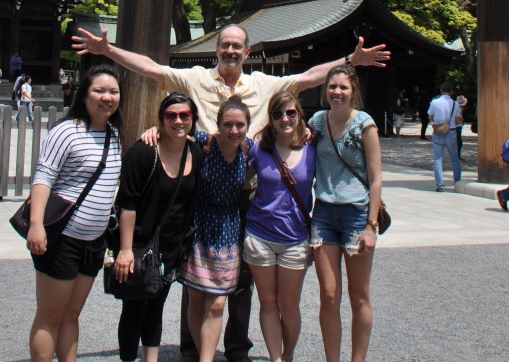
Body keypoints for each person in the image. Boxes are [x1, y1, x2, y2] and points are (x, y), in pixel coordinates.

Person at [73, 22, 390, 362]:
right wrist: (108, 51)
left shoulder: (263, 84)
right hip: (203, 190)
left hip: (248, 192)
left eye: (237, 46)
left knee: (242, 275)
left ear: (247, 52)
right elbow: (151, 68)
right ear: (217, 48)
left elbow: (311, 77)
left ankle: (237, 346)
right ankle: (192, 349)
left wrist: (351, 60)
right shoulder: (195, 78)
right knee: (194, 276)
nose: (230, 51)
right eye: (225, 45)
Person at [26, 64, 124, 362]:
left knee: (71, 314)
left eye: (113, 91)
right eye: (99, 90)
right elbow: (44, 177)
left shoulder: (114, 134)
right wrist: (36, 225)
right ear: (84, 95)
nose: (106, 97)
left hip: (94, 242)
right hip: (63, 238)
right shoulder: (67, 132)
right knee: (50, 316)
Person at [113, 93, 203, 362]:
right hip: (140, 245)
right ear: (161, 120)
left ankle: (151, 359)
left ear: (193, 120)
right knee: (135, 308)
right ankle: (129, 358)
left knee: (156, 307)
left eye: (184, 115)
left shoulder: (195, 152)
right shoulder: (142, 153)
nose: (178, 120)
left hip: (172, 245)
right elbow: (127, 204)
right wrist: (125, 249)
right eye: (170, 116)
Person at [308, 64, 382, 362]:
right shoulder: (316, 122)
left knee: (358, 293)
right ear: (325, 90)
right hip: (324, 212)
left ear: (353, 91)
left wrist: (371, 226)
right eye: (332, 87)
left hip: (356, 213)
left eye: (343, 87)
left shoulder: (365, 125)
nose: (337, 92)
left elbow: (376, 178)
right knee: (328, 294)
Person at [180, 98, 253, 362]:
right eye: (228, 124)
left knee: (219, 301)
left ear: (248, 126)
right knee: (196, 298)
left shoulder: (249, 148)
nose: (234, 130)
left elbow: (281, 146)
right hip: (200, 225)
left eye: (240, 125)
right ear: (218, 124)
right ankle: (204, 356)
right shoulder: (203, 142)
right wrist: (152, 130)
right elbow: (173, 132)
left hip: (229, 228)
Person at [246, 91, 315, 362]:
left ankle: (288, 356)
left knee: (289, 305)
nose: (285, 119)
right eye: (277, 114)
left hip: (295, 237)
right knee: (268, 302)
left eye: (290, 113)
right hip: (259, 235)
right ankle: (276, 358)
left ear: (299, 114)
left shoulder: (312, 148)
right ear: (271, 119)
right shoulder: (258, 148)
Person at [428, 82, 462, 192]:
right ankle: (457, 181)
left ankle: (440, 184)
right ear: (451, 92)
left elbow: (430, 116)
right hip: (451, 131)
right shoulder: (455, 104)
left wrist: (435, 122)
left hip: (438, 131)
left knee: (437, 158)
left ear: (441, 90)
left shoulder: (434, 102)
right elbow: (457, 120)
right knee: (454, 158)